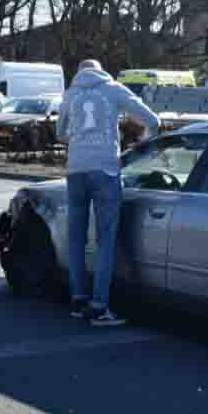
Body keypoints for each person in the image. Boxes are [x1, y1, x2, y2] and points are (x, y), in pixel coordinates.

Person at [55, 59, 160, 327]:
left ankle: (78, 299)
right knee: (105, 240)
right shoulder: (113, 89)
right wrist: (140, 142)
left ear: (79, 73)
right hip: (105, 170)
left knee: (76, 238)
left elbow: (60, 133)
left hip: (75, 170)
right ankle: (99, 306)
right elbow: (152, 120)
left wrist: (79, 140)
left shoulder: (70, 94)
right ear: (101, 70)